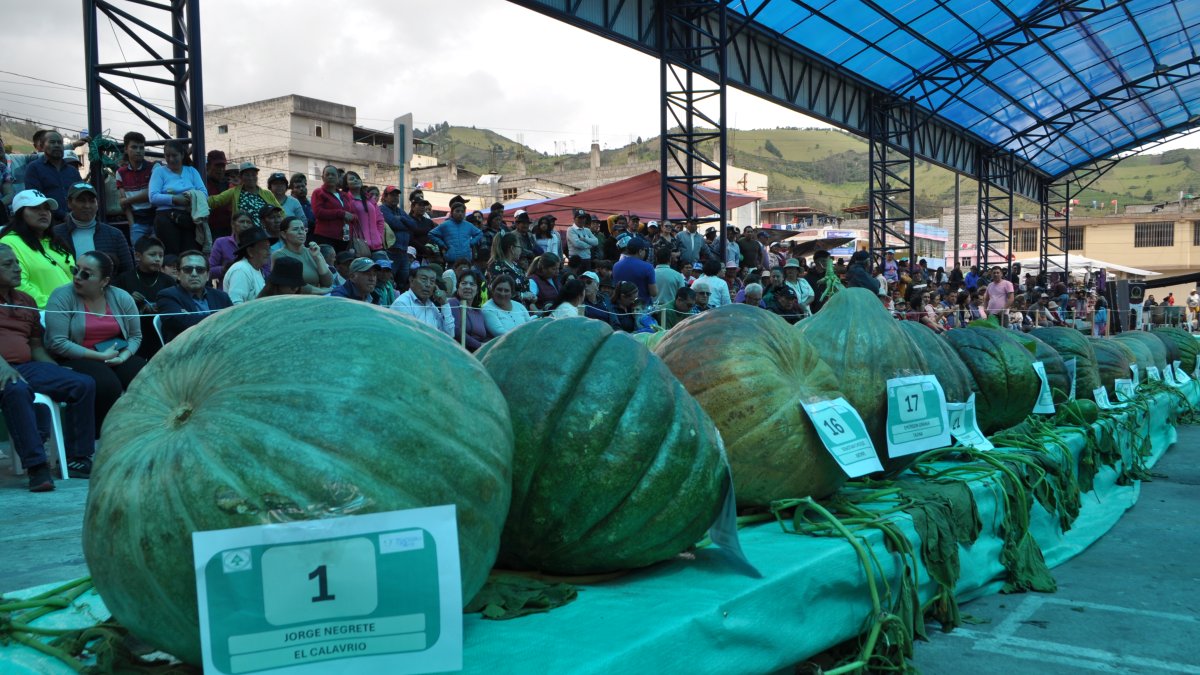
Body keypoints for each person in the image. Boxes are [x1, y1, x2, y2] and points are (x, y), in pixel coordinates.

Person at [0, 241, 98, 489]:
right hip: (5, 371)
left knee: (82, 383)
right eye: (8, 264)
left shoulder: (25, 300)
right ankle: (37, 467)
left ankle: (79, 458)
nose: (17, 269)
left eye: (16, 263)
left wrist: (55, 369)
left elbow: (35, 346)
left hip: (25, 366)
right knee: (16, 388)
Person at [44, 251, 145, 432]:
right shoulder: (61, 296)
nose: (77, 277)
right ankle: (100, 436)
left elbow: (135, 336)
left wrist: (123, 357)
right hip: (75, 356)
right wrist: (99, 356)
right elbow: (56, 342)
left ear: (104, 281)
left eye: (86, 274)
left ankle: (140, 430)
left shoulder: (121, 297)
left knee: (144, 375)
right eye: (76, 270)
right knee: (107, 385)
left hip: (114, 352)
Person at [2, 190, 74, 308]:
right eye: (35, 208)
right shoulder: (9, 243)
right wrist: (54, 305)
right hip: (41, 316)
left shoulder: (56, 242)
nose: (43, 213)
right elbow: (18, 285)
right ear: (20, 214)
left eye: (46, 208)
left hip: (71, 312)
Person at [55, 182, 133, 278]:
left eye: (92, 201)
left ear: (97, 203)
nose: (87, 206)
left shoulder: (115, 235)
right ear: (69, 203)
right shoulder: (55, 234)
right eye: (81, 201)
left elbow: (128, 273)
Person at [112, 236, 174, 358]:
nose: (157, 259)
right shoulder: (124, 279)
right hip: (133, 333)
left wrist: (161, 307)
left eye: (161, 256)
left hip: (161, 333)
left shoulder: (168, 281)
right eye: (152, 255)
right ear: (138, 256)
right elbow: (114, 307)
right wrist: (130, 300)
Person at [156, 250, 232, 343]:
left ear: (207, 275)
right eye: (188, 269)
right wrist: (220, 318)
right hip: (185, 350)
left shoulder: (221, 297)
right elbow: (179, 322)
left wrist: (190, 317)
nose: (194, 274)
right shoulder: (167, 295)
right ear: (178, 274)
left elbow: (233, 321)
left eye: (200, 270)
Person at [149, 140, 209, 255]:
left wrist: (190, 198)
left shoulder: (191, 171)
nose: (171, 159)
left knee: (191, 253)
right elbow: (153, 197)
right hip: (166, 218)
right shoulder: (159, 172)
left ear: (182, 155)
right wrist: (175, 199)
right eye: (167, 156)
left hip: (189, 218)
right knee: (171, 255)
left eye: (174, 155)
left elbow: (204, 193)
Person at [206, 161, 280, 232]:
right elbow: (214, 201)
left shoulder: (267, 194)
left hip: (265, 235)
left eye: (253, 174)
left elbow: (281, 212)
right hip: (243, 236)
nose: (251, 178)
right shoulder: (234, 192)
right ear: (241, 177)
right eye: (247, 175)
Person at [22, 131, 81, 220]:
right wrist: (63, 216)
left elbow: (81, 193)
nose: (57, 145)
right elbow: (36, 199)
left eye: (60, 142)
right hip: (48, 223)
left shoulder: (73, 171)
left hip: (76, 221)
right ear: (42, 146)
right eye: (52, 142)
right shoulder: (34, 168)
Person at [271, 217, 333, 295]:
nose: (301, 232)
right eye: (295, 229)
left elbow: (328, 283)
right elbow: (291, 284)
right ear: (284, 234)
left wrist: (318, 258)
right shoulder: (279, 255)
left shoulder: (312, 251)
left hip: (317, 299)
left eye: (303, 229)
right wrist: (320, 291)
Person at [116, 131, 156, 245]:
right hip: (137, 222)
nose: (138, 150)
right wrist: (132, 224)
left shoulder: (153, 168)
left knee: (157, 254)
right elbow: (124, 204)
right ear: (126, 149)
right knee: (138, 257)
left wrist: (128, 200)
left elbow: (151, 194)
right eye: (134, 147)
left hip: (155, 219)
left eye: (141, 147)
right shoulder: (121, 173)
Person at [391, 265, 453, 333]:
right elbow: (411, 336)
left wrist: (444, 304)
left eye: (432, 281)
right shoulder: (402, 303)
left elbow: (450, 334)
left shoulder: (431, 306)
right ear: (411, 280)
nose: (428, 285)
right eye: (424, 279)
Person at [310, 165, 356, 252]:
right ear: (323, 178)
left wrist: (353, 217)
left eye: (333, 175)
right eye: (327, 175)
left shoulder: (344, 195)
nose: (330, 177)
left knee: (343, 264)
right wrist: (341, 213)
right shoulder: (318, 192)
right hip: (325, 237)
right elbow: (318, 212)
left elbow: (352, 212)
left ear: (338, 178)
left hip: (344, 237)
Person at [340, 171, 386, 254]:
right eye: (351, 179)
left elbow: (380, 220)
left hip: (377, 245)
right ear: (346, 184)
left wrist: (379, 236)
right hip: (359, 246)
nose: (355, 180)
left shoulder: (369, 199)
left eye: (357, 178)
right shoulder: (345, 200)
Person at [222, 227, 271, 304]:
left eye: (269, 248)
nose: (268, 253)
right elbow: (236, 305)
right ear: (250, 251)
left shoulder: (258, 270)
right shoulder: (241, 270)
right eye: (264, 248)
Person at [448, 270, 489, 352]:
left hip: (479, 353)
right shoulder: (453, 303)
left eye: (472, 284)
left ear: (477, 290)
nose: (468, 287)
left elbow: (484, 336)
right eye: (464, 283)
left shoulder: (478, 311)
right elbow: (456, 331)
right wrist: (480, 345)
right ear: (458, 287)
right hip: (461, 352)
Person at [209, 210, 255, 282]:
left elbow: (267, 271)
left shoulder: (258, 244)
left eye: (248, 222)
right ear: (233, 224)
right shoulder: (221, 242)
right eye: (242, 221)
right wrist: (224, 269)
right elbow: (209, 271)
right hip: (227, 289)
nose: (245, 225)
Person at [612, 236, 658, 306]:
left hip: (622, 308)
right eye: (644, 249)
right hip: (641, 309)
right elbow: (653, 293)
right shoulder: (648, 267)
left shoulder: (616, 265)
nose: (645, 252)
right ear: (640, 251)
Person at [202, 150, 232, 239]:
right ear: (208, 166)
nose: (221, 169)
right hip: (209, 231)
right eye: (217, 166)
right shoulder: (202, 184)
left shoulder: (229, 184)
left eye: (223, 166)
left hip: (229, 230)